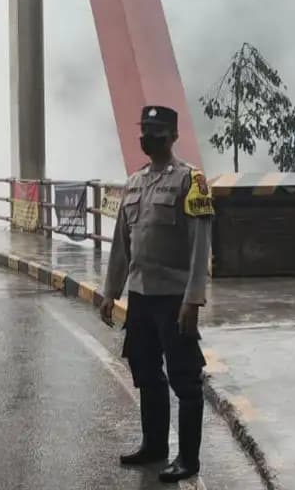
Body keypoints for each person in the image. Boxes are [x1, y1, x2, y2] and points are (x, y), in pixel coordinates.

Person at [99, 105, 214, 484]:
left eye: (157, 131)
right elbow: (121, 244)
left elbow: (200, 245)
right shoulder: (134, 183)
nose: (148, 137)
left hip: (174, 296)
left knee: (185, 379)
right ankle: (154, 445)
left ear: (173, 136)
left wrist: (193, 299)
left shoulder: (190, 181)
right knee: (146, 372)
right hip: (141, 296)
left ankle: (188, 458)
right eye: (145, 130)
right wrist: (110, 291)